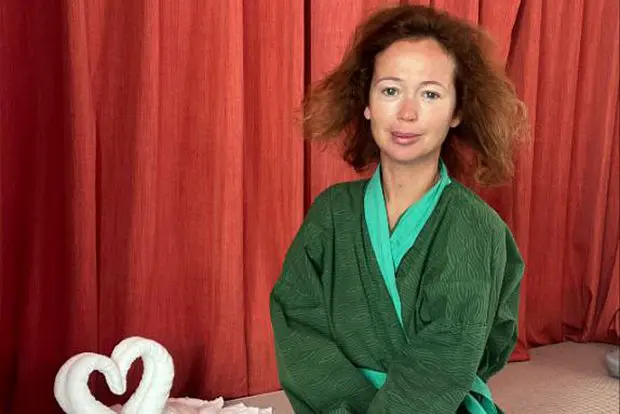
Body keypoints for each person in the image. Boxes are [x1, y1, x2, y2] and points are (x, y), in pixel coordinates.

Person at [269, 4, 527, 413]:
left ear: (457, 111)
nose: (407, 112)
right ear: (366, 102)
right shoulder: (331, 213)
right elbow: (296, 322)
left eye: (430, 94)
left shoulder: (475, 226)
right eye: (390, 90)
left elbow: (445, 357)